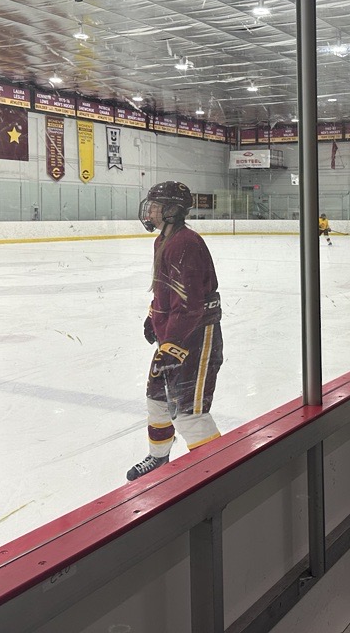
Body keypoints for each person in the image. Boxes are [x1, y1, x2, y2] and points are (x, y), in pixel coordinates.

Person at [128, 181, 224, 481]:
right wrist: (153, 316)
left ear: (172, 210)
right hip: (173, 335)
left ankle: (219, 472)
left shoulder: (186, 243)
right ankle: (158, 458)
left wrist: (172, 344)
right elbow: (166, 291)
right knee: (156, 399)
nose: (151, 210)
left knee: (189, 412)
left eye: (156, 205)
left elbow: (190, 303)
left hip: (195, 335)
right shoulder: (163, 241)